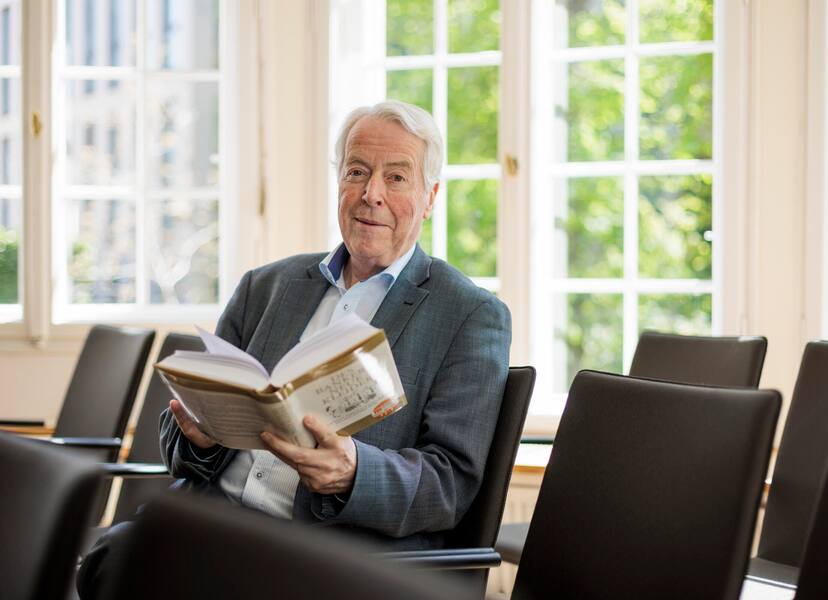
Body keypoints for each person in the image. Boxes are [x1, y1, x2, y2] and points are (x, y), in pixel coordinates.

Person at [76, 100, 511, 598]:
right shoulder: (263, 287)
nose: (371, 194)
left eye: (396, 178)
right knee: (109, 562)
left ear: (430, 197)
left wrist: (353, 473)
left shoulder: (469, 315)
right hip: (210, 525)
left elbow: (450, 483)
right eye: (357, 171)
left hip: (326, 553)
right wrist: (201, 435)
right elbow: (176, 441)